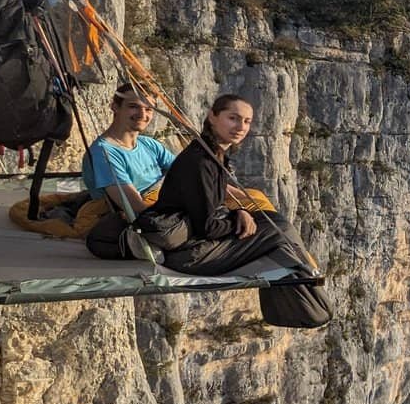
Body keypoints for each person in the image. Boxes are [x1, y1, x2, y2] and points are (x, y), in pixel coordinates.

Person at [145, 95, 332, 328]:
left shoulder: (212, 155)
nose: (240, 127)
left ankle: (302, 303)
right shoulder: (201, 162)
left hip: (193, 244)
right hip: (189, 255)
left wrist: (241, 212)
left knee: (272, 222)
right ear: (212, 116)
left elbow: (211, 207)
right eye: (233, 118)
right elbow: (209, 227)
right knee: (279, 230)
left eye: (246, 121)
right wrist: (237, 218)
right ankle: (308, 302)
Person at [82, 83, 177, 218]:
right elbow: (135, 206)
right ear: (115, 107)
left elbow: (184, 170)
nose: (142, 114)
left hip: (161, 203)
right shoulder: (104, 153)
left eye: (148, 109)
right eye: (133, 106)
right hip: (143, 218)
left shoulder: (149, 144)